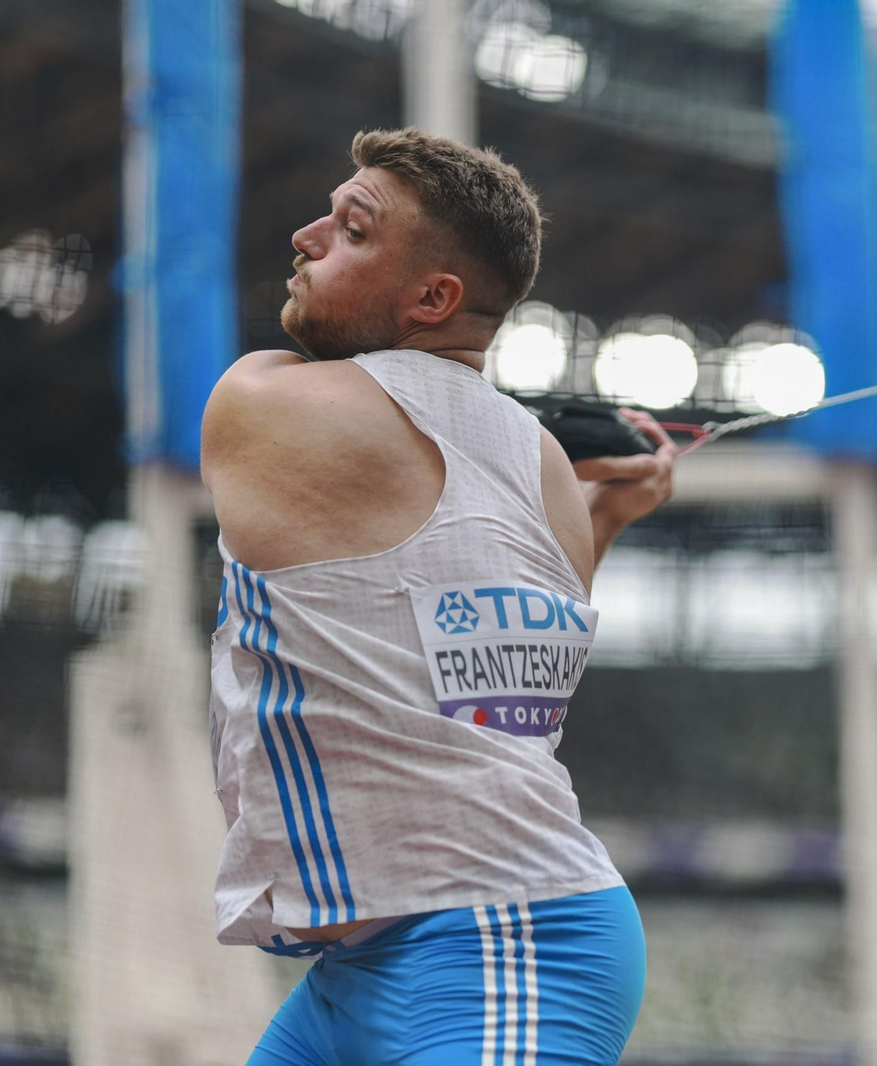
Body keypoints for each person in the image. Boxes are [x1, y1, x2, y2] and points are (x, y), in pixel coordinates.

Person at [200, 127, 675, 1065]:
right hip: (386, 954)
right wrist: (604, 518)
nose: (306, 235)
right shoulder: (539, 462)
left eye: (352, 230)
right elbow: (496, 677)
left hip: (502, 937)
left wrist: (596, 505)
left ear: (432, 297)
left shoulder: (263, 399)